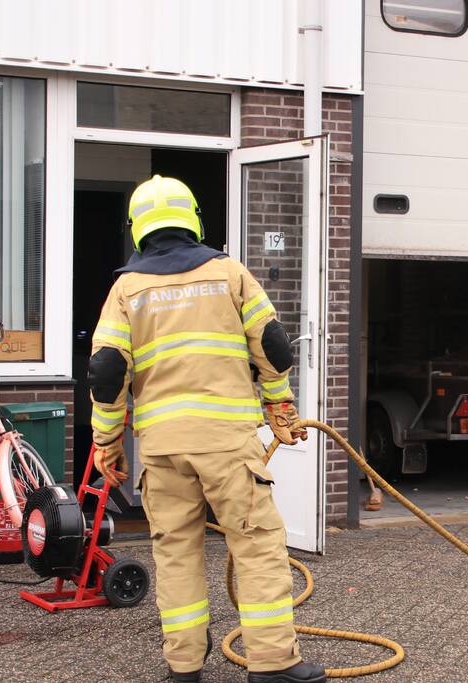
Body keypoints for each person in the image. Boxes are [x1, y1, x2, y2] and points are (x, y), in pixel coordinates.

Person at [87, 175, 326, 683]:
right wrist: (279, 405)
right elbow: (272, 344)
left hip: (162, 449)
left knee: (175, 553)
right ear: (193, 218)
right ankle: (272, 663)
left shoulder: (126, 289)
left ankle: (184, 665)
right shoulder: (229, 274)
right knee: (256, 546)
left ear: (136, 227)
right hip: (227, 443)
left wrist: (107, 442)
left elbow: (107, 372)